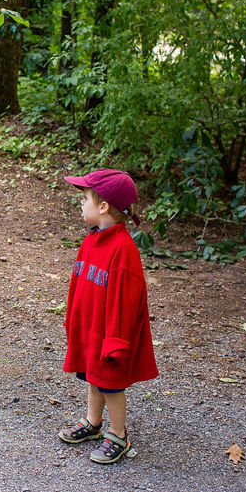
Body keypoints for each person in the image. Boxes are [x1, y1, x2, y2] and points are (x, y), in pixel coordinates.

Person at [57, 168, 158, 463]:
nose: (81, 202)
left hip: (111, 336)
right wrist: (73, 321)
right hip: (91, 329)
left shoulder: (122, 250)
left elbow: (126, 303)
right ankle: (93, 422)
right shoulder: (92, 240)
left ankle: (118, 435)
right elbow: (79, 284)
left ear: (103, 207)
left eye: (85, 197)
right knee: (93, 376)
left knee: (110, 384)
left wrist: (115, 340)